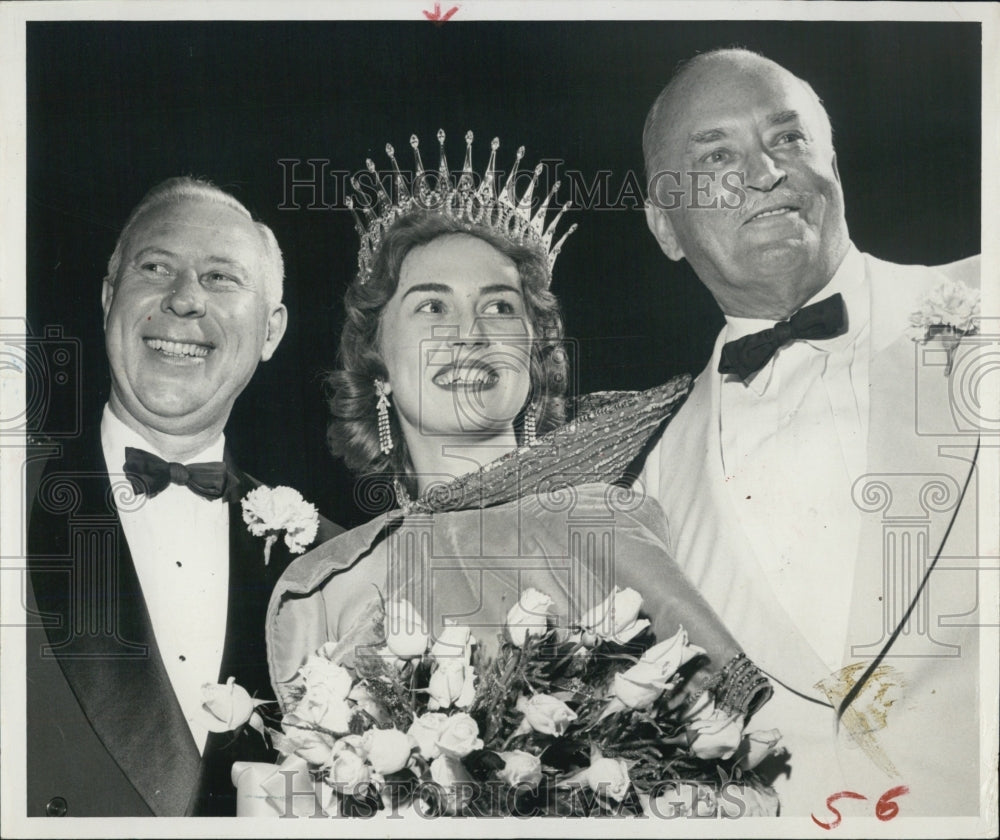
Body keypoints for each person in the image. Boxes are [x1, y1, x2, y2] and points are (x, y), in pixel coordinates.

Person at [264, 133, 772, 806]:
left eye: (500, 306)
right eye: (431, 305)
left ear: (535, 359)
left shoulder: (610, 519)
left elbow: (740, 757)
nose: (470, 332)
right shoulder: (322, 585)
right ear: (376, 360)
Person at [639, 48, 984, 816]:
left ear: (833, 163)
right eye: (718, 155)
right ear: (665, 226)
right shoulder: (646, 478)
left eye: (787, 139)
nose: (764, 172)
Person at [26, 177, 342, 817]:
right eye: (156, 267)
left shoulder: (333, 568)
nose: (185, 299)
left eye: (222, 278)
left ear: (271, 331)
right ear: (109, 296)